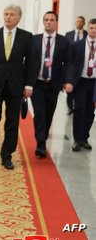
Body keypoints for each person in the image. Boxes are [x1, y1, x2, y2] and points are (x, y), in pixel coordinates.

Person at [0, 4, 35, 170]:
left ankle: (6, 154)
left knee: (12, 122)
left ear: (18, 17)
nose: (8, 17)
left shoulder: (26, 36)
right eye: (6, 14)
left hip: (16, 86)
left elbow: (31, 63)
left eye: (12, 14)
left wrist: (29, 84)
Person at [30, 11, 69, 158]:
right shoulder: (34, 40)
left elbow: (68, 63)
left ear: (56, 22)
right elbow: (28, 62)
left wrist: (66, 81)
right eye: (46, 20)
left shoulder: (64, 42)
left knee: (48, 114)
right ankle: (41, 144)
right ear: (43, 22)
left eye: (52, 20)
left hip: (54, 84)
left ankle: (43, 137)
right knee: (39, 113)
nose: (48, 22)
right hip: (37, 83)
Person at [64, 18, 96, 152]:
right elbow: (70, 64)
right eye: (91, 28)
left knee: (90, 112)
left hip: (94, 83)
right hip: (81, 82)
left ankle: (84, 138)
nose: (93, 31)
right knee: (80, 110)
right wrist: (69, 81)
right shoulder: (77, 45)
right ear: (87, 29)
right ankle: (77, 140)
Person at [65, 16, 88, 115]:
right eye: (77, 21)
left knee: (79, 88)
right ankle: (70, 107)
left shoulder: (87, 34)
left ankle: (79, 106)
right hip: (71, 64)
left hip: (82, 65)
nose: (79, 23)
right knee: (70, 86)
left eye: (81, 22)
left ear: (84, 23)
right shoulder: (68, 34)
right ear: (75, 22)